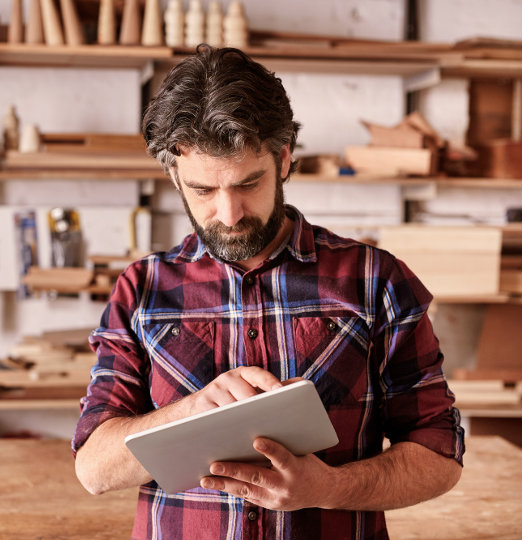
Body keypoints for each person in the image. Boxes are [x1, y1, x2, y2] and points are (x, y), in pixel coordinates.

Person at [72, 45, 464, 540]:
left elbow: (439, 455)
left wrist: (329, 488)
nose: (230, 214)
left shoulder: (376, 280)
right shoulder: (143, 289)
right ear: (174, 174)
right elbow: (93, 469)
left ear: (283, 159)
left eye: (248, 183)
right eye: (203, 191)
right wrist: (191, 411)